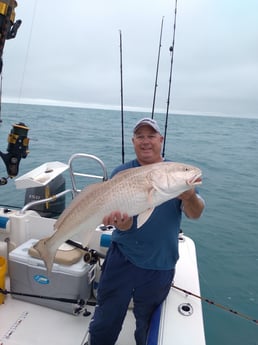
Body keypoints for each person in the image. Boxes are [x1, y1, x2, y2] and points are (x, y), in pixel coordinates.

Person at [88, 117, 205, 345]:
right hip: (122, 259)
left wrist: (190, 196)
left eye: (151, 136)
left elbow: (196, 213)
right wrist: (121, 224)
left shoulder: (173, 175)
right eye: (140, 136)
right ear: (133, 142)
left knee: (148, 324)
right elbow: (127, 222)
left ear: (160, 139)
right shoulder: (121, 172)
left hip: (160, 264)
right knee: (106, 316)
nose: (146, 141)